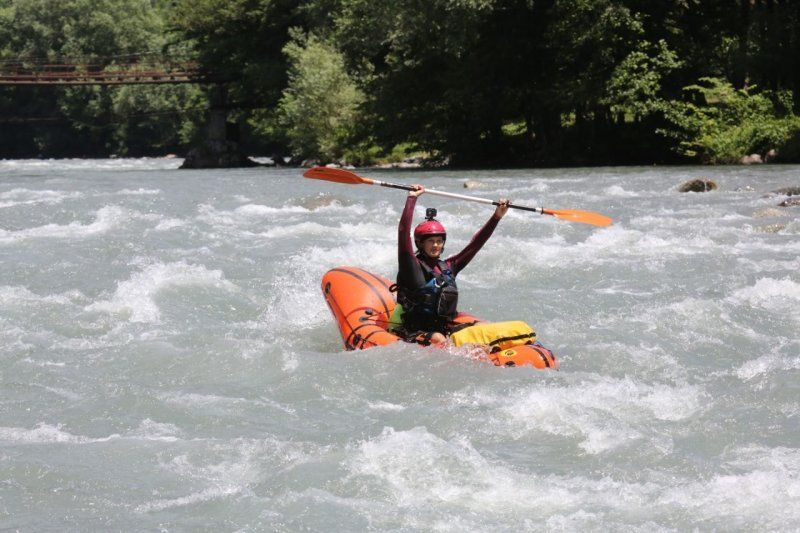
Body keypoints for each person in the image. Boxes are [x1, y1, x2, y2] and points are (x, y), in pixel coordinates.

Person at [391, 184, 509, 346]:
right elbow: (403, 234)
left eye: (439, 241)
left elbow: (474, 246)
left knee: (482, 328)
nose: (435, 245)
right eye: (431, 241)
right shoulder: (411, 266)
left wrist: (496, 217)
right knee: (438, 338)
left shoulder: (448, 267)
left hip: (443, 327)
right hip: (414, 330)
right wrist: (412, 199)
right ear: (420, 243)